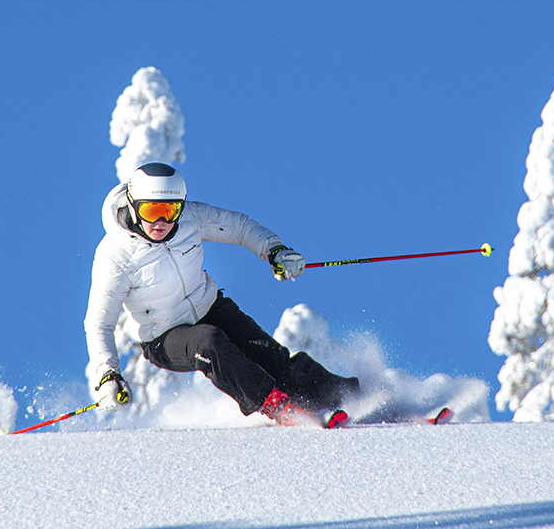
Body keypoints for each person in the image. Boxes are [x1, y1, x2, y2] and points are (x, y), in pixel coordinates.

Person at [84, 162, 359, 428]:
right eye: (151, 209)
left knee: (272, 358)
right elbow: (99, 323)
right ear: (133, 205)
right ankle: (279, 407)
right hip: (164, 337)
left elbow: (238, 227)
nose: (160, 221)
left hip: (211, 307)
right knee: (209, 342)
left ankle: (352, 397)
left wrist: (274, 250)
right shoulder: (115, 255)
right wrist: (107, 374)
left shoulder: (190, 219)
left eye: (169, 211)